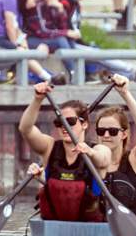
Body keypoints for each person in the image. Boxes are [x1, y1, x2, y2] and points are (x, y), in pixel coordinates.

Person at [19, 82, 110, 223]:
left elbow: (104, 160)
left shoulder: (98, 149)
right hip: (54, 227)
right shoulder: (49, 147)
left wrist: (90, 152)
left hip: (89, 228)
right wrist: (37, 99)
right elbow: (26, 129)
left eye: (70, 121)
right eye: (59, 122)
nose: (64, 126)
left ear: (84, 124)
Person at [59, 0, 136, 83]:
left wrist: (85, 44)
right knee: (100, 56)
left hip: (72, 43)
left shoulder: (77, 6)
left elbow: (75, 31)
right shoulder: (64, 4)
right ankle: (133, 69)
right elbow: (67, 29)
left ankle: (132, 75)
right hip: (65, 44)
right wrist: (84, 44)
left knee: (100, 60)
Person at [94, 79, 136, 220]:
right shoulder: (90, 159)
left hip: (133, 232)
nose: (106, 135)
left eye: (113, 131)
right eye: (101, 131)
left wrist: (125, 93)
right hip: (96, 230)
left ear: (124, 134)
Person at [0, 0, 59, 84]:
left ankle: (34, 75)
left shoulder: (19, 11)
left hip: (6, 40)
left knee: (41, 48)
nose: (34, 5)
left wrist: (25, 47)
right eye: (34, 0)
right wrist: (17, 47)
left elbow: (19, 32)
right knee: (22, 53)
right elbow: (10, 27)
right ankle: (49, 78)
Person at [24, 0, 80, 79]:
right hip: (31, 39)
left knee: (69, 39)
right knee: (61, 40)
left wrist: (61, 9)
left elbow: (61, 27)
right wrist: (66, 33)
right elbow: (42, 31)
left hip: (46, 39)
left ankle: (78, 71)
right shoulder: (37, 4)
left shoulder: (54, 5)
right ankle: (75, 74)